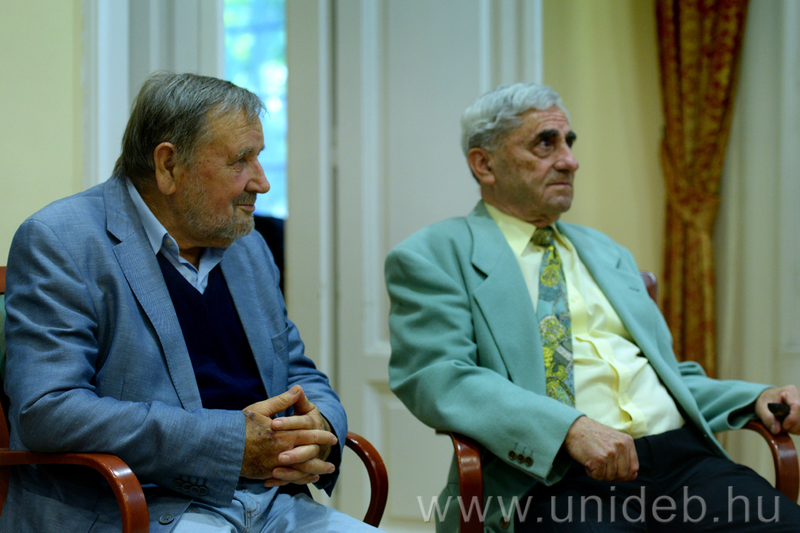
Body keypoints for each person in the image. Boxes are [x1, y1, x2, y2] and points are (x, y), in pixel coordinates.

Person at [384, 83, 800, 532]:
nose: (570, 160)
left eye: (569, 142)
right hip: (552, 476)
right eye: (545, 143)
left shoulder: (607, 252)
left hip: (683, 463)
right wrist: (568, 429)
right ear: (484, 164)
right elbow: (439, 377)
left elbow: (668, 377)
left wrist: (755, 397)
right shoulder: (433, 255)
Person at [2, 72, 383, 533]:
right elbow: (48, 410)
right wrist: (230, 445)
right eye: (241, 160)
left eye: (259, 157)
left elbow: (296, 371)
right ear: (168, 166)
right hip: (137, 507)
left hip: (271, 503)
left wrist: (319, 429)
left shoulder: (247, 245)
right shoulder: (60, 240)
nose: (262, 182)